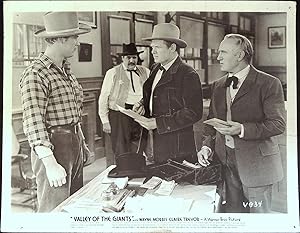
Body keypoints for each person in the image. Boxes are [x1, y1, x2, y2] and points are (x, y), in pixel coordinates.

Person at [197, 34, 286, 213]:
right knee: (233, 217)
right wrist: (206, 147)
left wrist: (242, 129)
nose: (218, 57)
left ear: (239, 55)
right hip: (225, 164)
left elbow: (278, 124)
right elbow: (210, 123)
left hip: (257, 166)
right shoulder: (218, 85)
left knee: (258, 220)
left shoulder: (269, 83)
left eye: (223, 52)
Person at [19, 12, 91, 212]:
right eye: (74, 37)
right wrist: (50, 163)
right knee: (54, 208)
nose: (77, 42)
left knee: (74, 203)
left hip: (73, 141)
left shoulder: (65, 70)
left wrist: (81, 142)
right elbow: (33, 121)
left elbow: (74, 111)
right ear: (60, 38)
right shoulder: (36, 73)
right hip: (53, 145)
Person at [134, 23, 203, 164]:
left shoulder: (187, 74)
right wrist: (143, 103)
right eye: (152, 48)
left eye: (157, 47)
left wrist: (158, 123)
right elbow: (156, 93)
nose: (152, 52)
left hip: (176, 145)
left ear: (172, 48)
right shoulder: (155, 69)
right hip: (153, 140)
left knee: (175, 182)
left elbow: (194, 112)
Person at [98, 43, 150, 157]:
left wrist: (143, 106)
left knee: (138, 146)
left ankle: (136, 171)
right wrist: (105, 121)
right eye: (128, 57)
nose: (131, 60)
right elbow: (103, 97)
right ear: (122, 58)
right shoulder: (112, 72)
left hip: (140, 114)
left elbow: (150, 93)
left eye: (134, 57)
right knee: (121, 149)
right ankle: (123, 173)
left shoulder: (145, 71)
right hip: (119, 115)